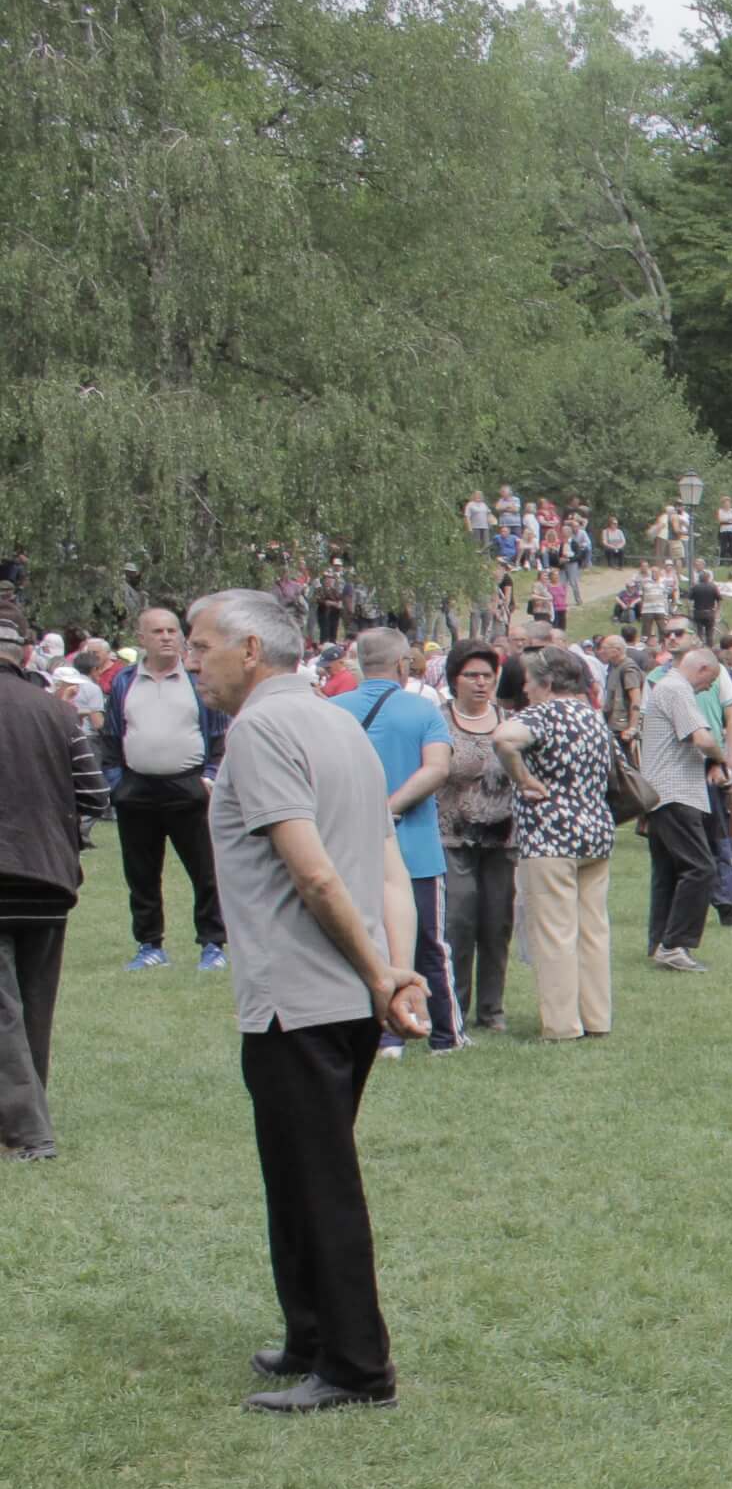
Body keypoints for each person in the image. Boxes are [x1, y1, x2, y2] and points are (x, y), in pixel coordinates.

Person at [188, 588, 429, 1411]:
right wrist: (392, 972)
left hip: (300, 997)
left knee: (318, 1182)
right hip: (341, 996)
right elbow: (387, 868)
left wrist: (380, 974)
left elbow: (316, 873)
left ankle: (357, 1368)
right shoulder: (339, 724)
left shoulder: (261, 730)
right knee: (294, 1174)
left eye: (203, 646)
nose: (193, 662)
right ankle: (310, 1335)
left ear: (251, 650)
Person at [0, 588, 108, 1159]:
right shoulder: (59, 713)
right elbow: (95, 796)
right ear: (24, 655)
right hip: (48, 876)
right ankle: (27, 1112)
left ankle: (29, 1133)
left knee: (4, 1011)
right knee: (34, 1005)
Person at [333, 628, 459, 1054]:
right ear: (404, 664)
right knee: (430, 944)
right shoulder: (423, 710)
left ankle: (380, 1034)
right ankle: (444, 1035)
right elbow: (436, 769)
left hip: (349, 849)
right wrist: (390, 810)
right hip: (415, 847)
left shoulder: (333, 710)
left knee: (363, 941)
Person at [97, 602, 229, 973]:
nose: (167, 637)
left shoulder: (197, 679)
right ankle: (150, 945)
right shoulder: (124, 681)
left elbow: (220, 734)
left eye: (173, 631)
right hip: (136, 789)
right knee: (141, 873)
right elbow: (111, 736)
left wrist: (209, 777)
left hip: (189, 787)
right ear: (142, 638)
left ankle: (212, 944)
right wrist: (117, 784)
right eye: (158, 631)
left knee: (206, 872)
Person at [500, 647, 622, 1040]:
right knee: (593, 932)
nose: (525, 689)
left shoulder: (543, 714)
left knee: (554, 933)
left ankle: (561, 1024)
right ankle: (597, 1018)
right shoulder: (592, 717)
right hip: (595, 833)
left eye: (529, 682)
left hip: (550, 836)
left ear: (547, 682)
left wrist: (523, 779)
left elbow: (504, 738)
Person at [432, 640, 519, 1035]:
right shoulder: (438, 721)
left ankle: (491, 1008)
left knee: (497, 924)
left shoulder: (510, 722)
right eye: (472, 675)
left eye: (487, 675)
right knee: (458, 922)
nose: (481, 683)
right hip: (451, 837)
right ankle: (455, 1004)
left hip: (502, 840)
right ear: (455, 679)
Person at [636, 650, 726, 971]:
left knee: (668, 872)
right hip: (676, 793)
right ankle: (675, 944)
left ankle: (660, 941)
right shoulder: (678, 688)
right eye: (710, 680)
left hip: (658, 794)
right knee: (701, 868)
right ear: (701, 668)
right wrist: (721, 757)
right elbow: (702, 738)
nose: (708, 687)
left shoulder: (664, 687)